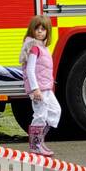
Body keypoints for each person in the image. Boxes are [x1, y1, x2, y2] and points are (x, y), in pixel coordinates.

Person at [20, 15, 59, 155]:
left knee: (55, 111)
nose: (40, 32)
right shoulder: (34, 48)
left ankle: (40, 140)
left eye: (43, 29)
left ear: (48, 31)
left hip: (46, 88)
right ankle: (35, 145)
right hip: (38, 89)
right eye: (37, 29)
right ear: (32, 30)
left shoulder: (44, 48)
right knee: (40, 115)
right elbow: (30, 70)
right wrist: (35, 89)